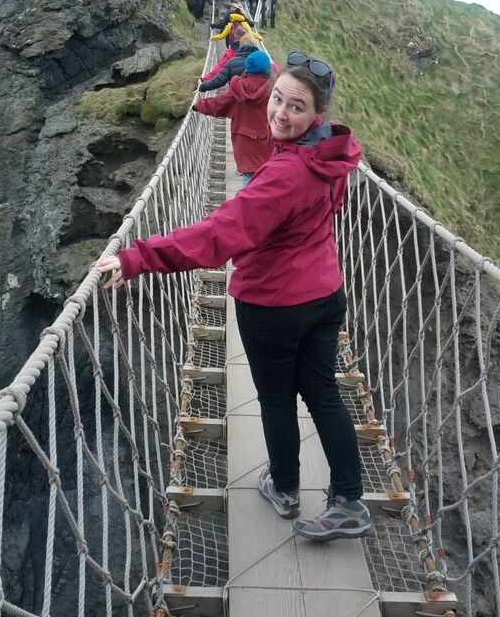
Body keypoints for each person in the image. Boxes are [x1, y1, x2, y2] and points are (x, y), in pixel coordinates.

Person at [95, 51, 372, 542]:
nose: (281, 113)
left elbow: (219, 235)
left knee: (276, 400)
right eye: (278, 99)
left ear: (317, 116)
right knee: (325, 394)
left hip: (274, 305)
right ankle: (350, 500)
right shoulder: (333, 156)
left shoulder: (283, 175)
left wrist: (138, 258)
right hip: (326, 296)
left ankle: (285, 488)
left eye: (297, 107)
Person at [194, 49, 273, 187]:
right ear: (267, 69)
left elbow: (218, 104)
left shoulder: (237, 89)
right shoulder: (275, 90)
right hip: (268, 143)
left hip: (244, 144)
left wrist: (199, 105)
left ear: (247, 69)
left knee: (249, 181)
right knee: (268, 181)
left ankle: (248, 206)